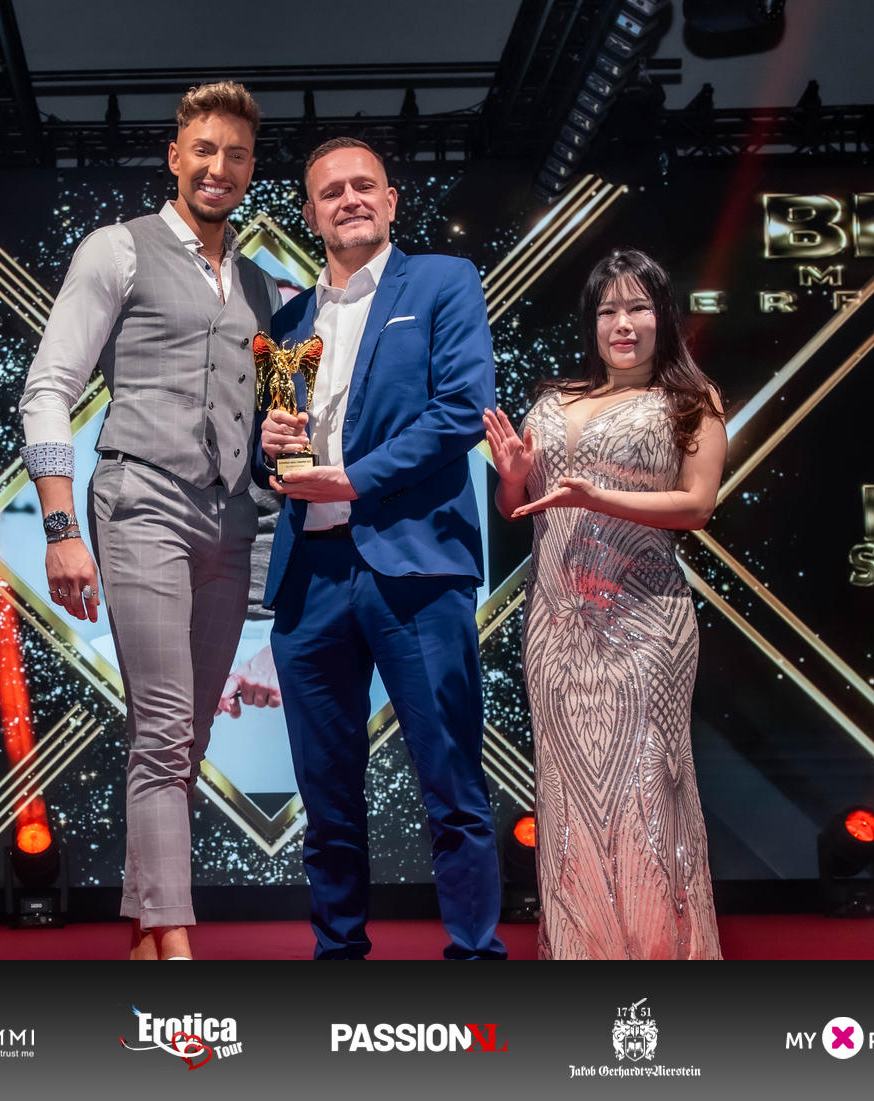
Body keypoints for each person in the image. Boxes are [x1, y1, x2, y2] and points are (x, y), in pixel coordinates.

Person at [19, 82, 278, 961]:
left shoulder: (261, 285)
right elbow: (48, 389)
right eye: (203, 150)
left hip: (231, 520)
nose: (218, 167)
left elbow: (272, 420)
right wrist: (61, 531)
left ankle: (143, 927)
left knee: (187, 735)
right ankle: (175, 942)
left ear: (251, 168)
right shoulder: (117, 249)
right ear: (175, 157)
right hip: (142, 503)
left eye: (235, 154)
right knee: (164, 727)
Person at [259, 137, 504, 960]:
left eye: (365, 185)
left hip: (416, 568)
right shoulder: (286, 322)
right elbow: (275, 456)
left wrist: (353, 479)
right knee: (325, 795)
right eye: (331, 192)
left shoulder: (442, 281)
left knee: (451, 782)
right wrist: (271, 448)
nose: (350, 199)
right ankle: (339, 957)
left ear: (392, 200)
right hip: (310, 579)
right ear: (310, 213)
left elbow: (462, 409)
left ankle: (475, 956)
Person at [481, 248, 727, 960]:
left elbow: (697, 506)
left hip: (646, 624)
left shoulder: (691, 401)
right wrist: (513, 478)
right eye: (608, 310)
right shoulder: (553, 401)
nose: (623, 324)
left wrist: (599, 496)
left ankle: (658, 962)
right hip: (556, 629)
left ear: (663, 316)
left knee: (647, 790)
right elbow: (517, 510)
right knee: (566, 797)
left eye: (638, 307)